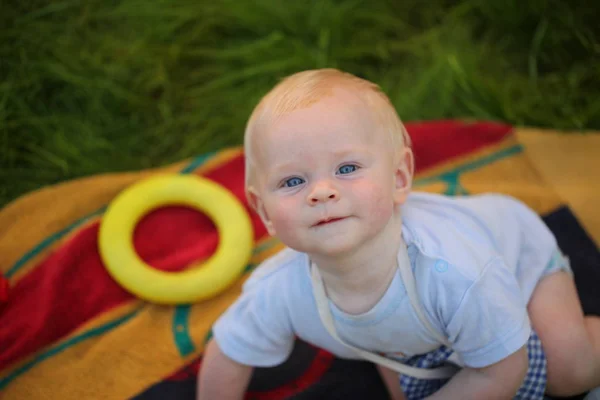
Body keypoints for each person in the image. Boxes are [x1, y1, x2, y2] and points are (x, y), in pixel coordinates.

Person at [197, 68, 600, 399]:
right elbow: (228, 352)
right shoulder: (279, 289)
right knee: (410, 384)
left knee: (569, 369)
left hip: (516, 257)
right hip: (419, 324)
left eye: (347, 168)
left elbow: (505, 367)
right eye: (292, 181)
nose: (321, 192)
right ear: (263, 210)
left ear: (400, 177)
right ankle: (394, 337)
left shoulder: (455, 270)